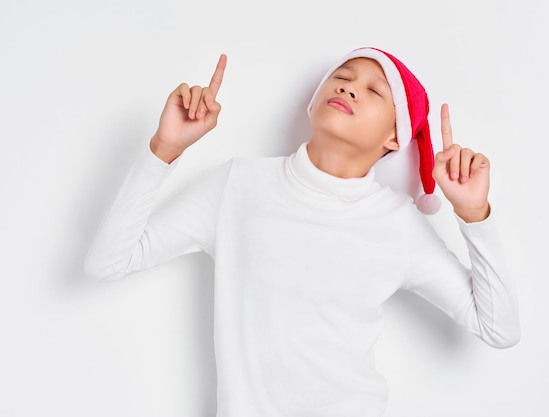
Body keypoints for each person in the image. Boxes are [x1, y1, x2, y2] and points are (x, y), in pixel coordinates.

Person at [84, 46, 520, 417]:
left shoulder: (398, 223)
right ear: (313, 104)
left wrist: (474, 214)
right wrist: (165, 149)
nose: (348, 87)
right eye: (342, 77)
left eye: (373, 90)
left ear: (394, 136)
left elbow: (499, 329)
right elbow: (108, 262)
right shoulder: (237, 184)